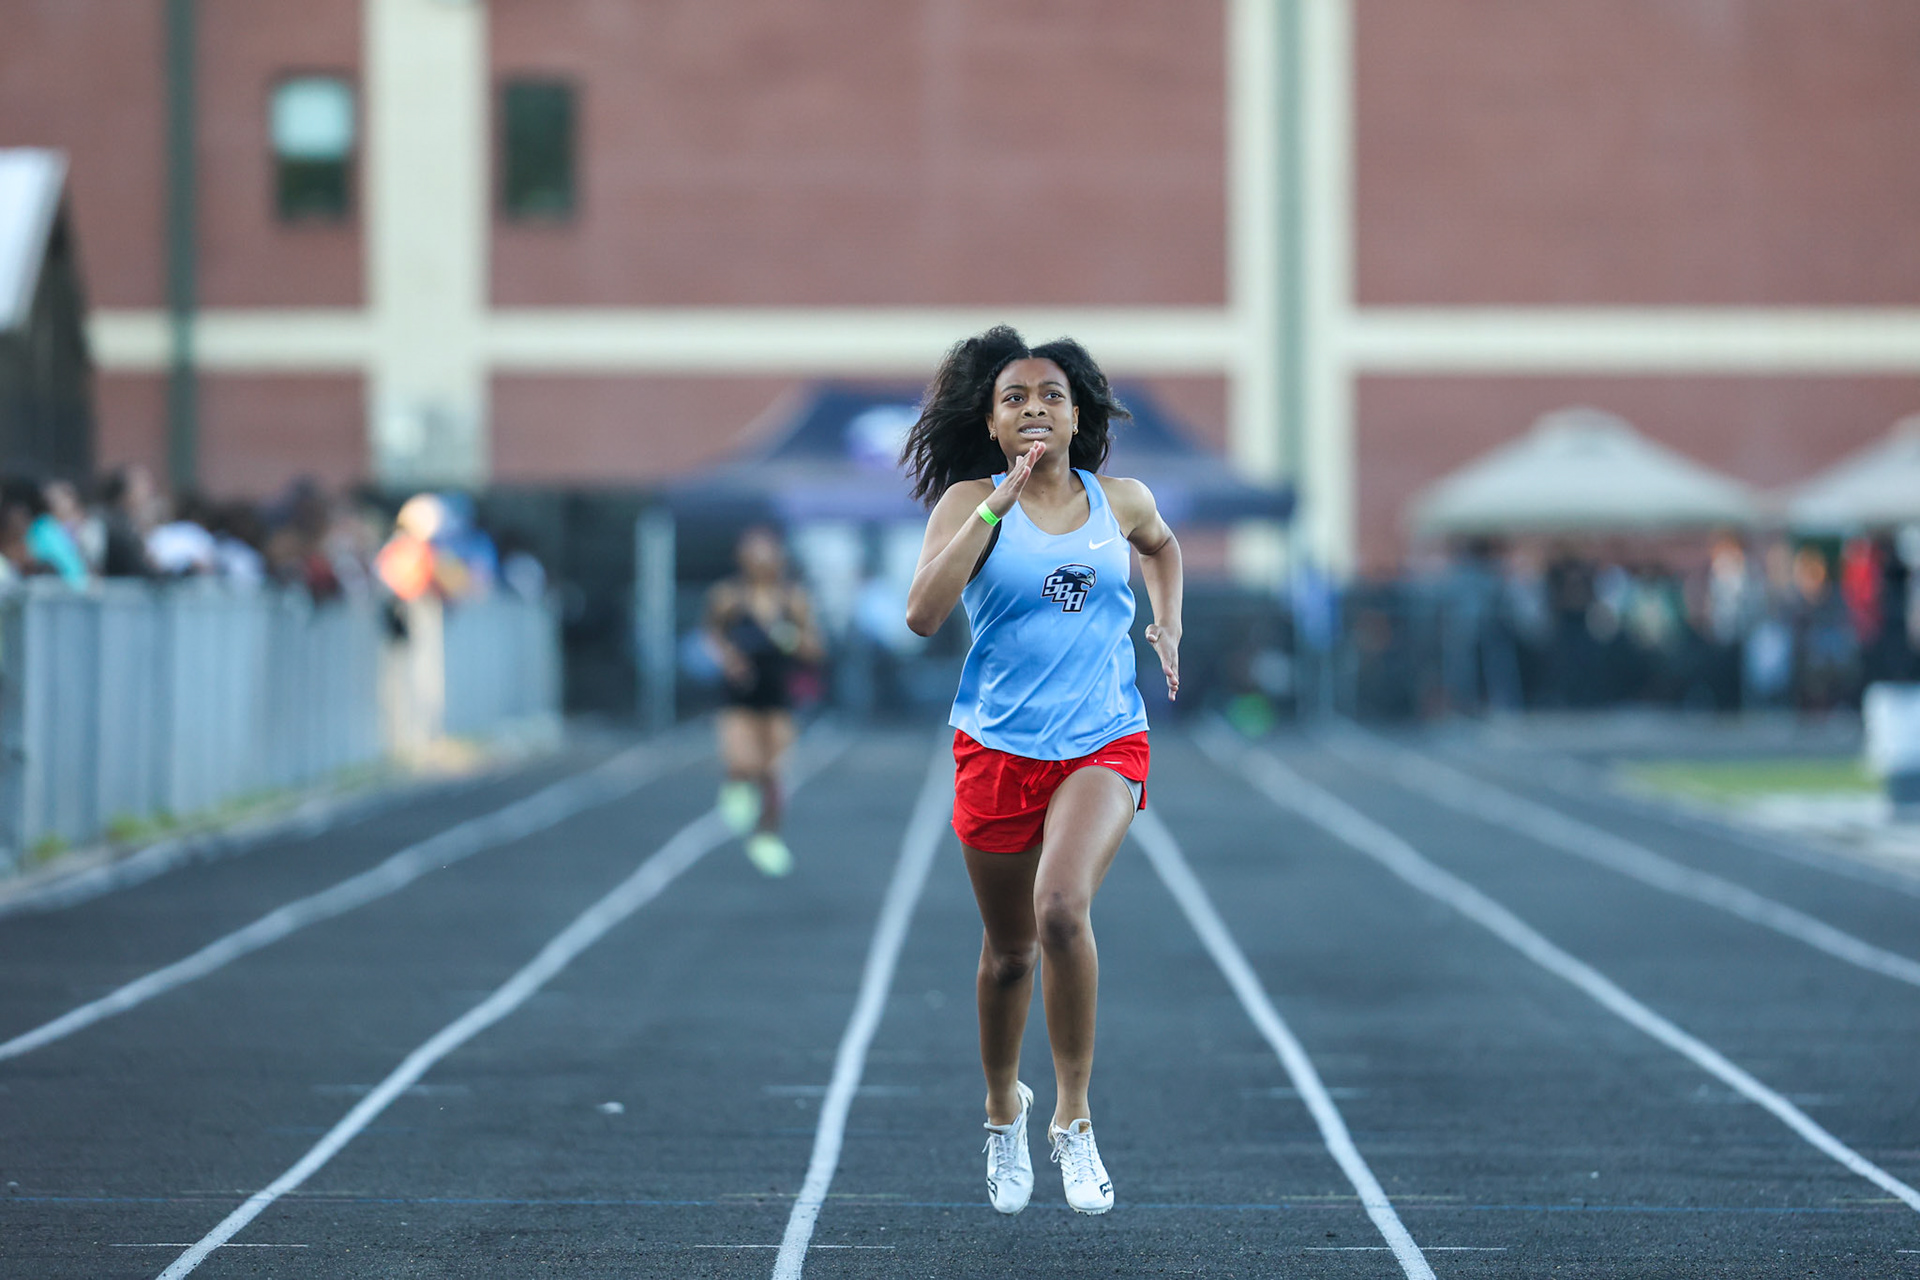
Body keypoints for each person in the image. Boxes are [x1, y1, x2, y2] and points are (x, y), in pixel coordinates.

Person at [902, 326, 1182, 1217]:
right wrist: (994, 511)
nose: (1034, 409)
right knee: (1009, 953)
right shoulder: (967, 503)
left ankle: (1074, 1118)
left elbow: (1163, 548)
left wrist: (1166, 622)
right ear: (991, 422)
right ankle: (1001, 1111)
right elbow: (920, 615)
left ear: (1076, 416)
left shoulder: (1122, 500)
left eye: (1051, 396)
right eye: (1015, 398)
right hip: (998, 749)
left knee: (1061, 909)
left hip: (1104, 740)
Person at [705, 527, 822, 877]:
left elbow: (815, 648)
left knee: (774, 772)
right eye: (752, 552)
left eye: (766, 552)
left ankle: (767, 836)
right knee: (744, 762)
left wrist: (792, 641)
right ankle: (736, 786)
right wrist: (728, 660)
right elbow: (711, 637)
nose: (760, 560)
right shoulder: (727, 597)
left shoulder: (793, 599)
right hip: (739, 698)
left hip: (778, 697)